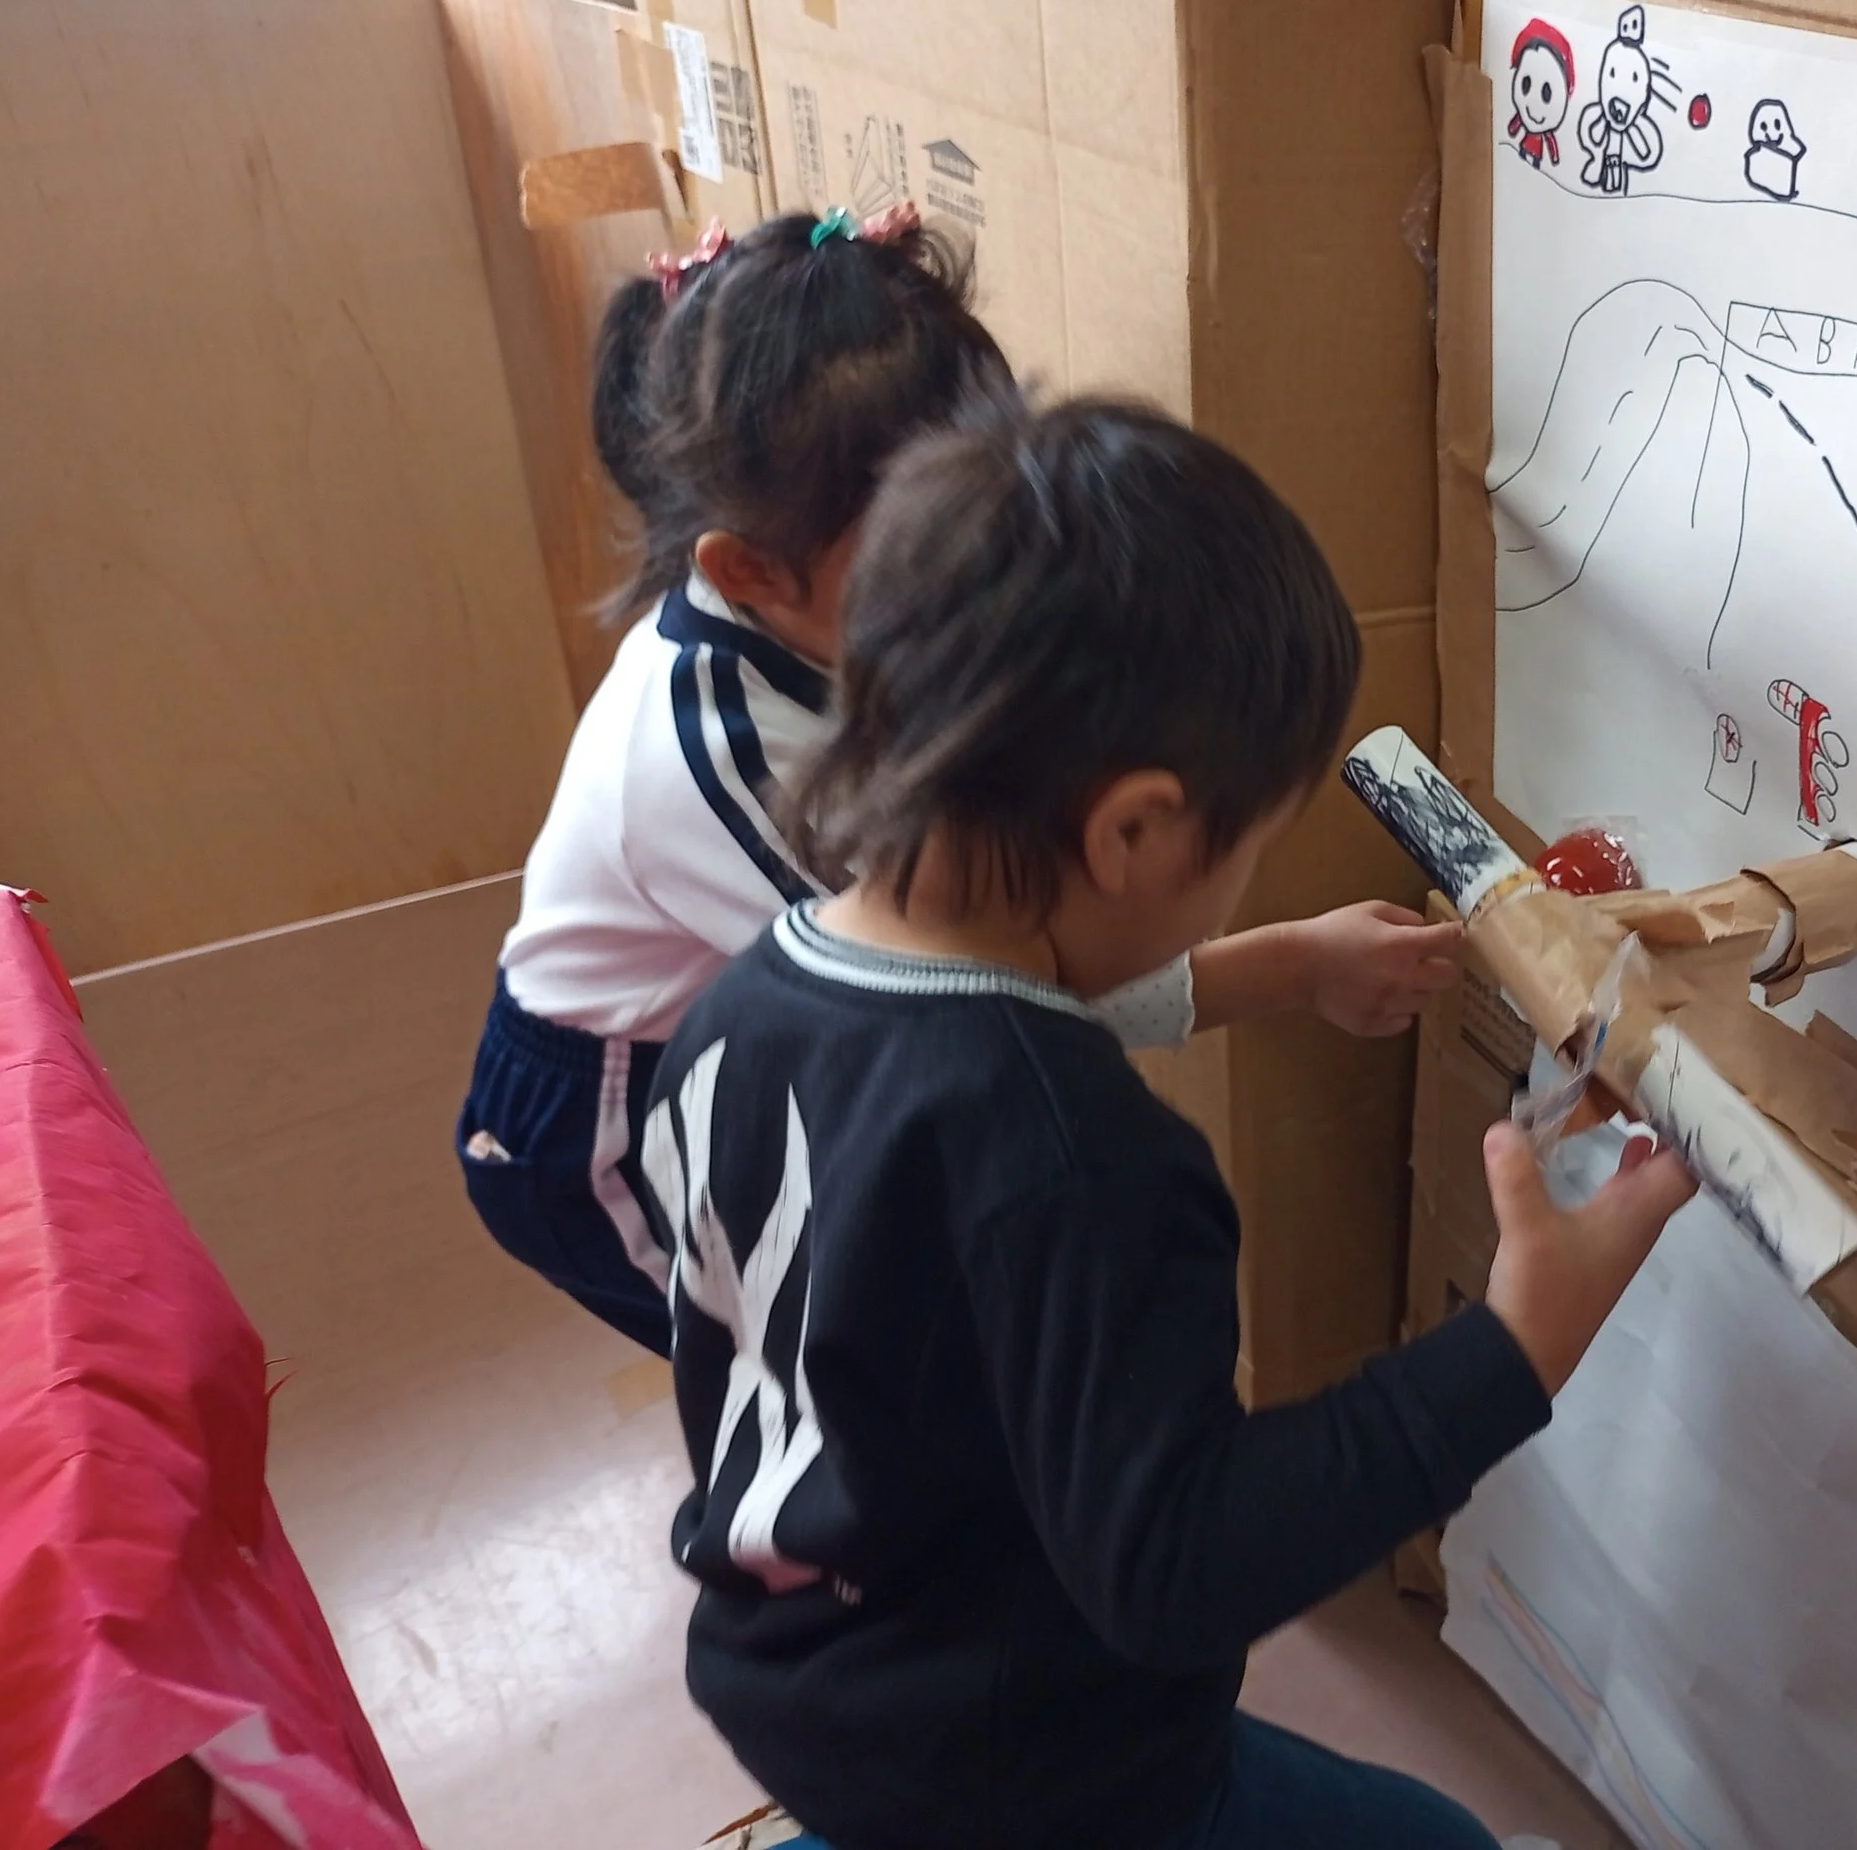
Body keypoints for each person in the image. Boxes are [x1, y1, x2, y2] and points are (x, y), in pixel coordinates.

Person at [641, 391, 1696, 1849]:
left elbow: (938, 1129)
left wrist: (1289, 961)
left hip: (813, 1677)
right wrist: (1512, 1349)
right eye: (1248, 848)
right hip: (1031, 1776)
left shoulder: (741, 1009)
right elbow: (1182, 1567)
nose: (1245, 883)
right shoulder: (1078, 1160)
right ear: (1132, 829)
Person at [457, 208, 1461, 1353]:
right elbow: (967, 994)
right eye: (920, 529)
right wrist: (1293, 965)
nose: (983, 554)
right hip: (598, 1125)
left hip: (748, 1043)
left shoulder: (837, 627)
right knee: (780, 1361)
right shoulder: (731, 758)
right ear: (750, 571)